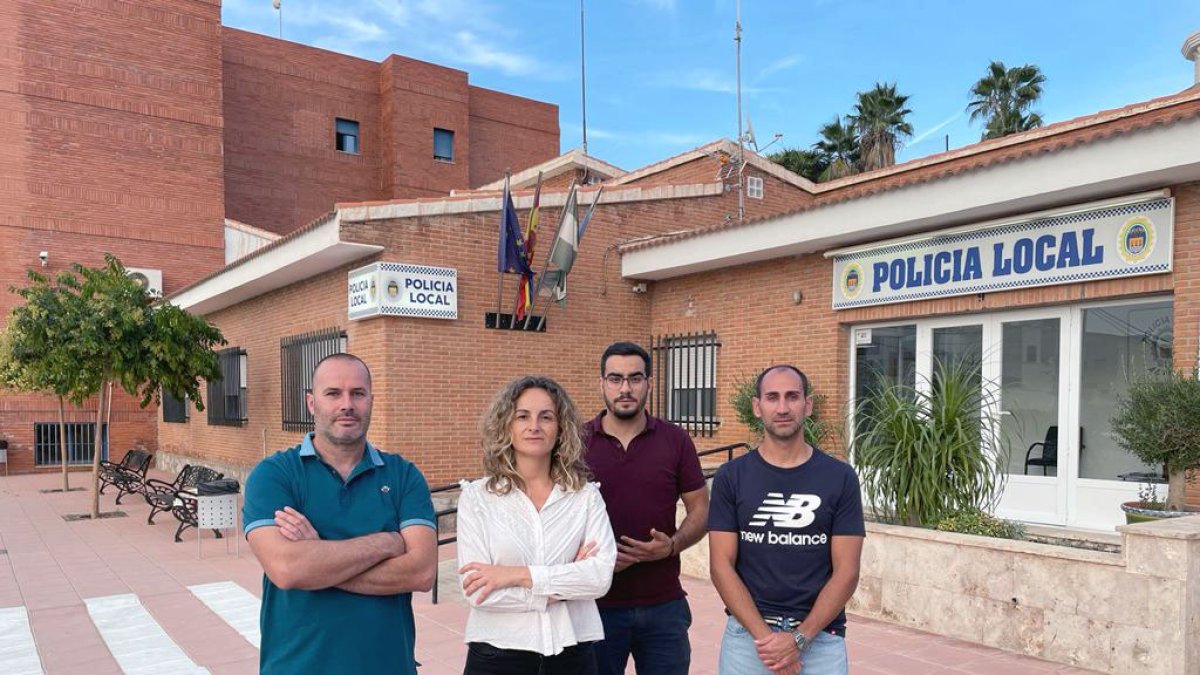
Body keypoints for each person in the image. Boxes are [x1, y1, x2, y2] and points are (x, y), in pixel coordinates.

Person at [243, 353, 436, 675]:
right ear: (311, 403)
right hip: (297, 667)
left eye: (357, 393)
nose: (347, 404)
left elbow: (421, 573)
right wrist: (387, 543)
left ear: (371, 400)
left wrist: (317, 558)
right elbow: (287, 569)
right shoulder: (275, 475)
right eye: (333, 393)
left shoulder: (403, 475)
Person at [708, 365, 865, 675]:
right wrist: (769, 641)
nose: (782, 408)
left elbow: (847, 572)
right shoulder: (731, 477)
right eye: (772, 397)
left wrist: (798, 640)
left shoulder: (840, 477)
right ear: (757, 406)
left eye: (792, 397)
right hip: (749, 638)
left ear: (807, 405)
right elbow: (720, 566)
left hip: (820, 637)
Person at [457, 374, 617, 675]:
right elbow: (477, 591)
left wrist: (513, 575)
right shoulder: (478, 498)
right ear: (506, 425)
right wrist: (566, 586)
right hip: (496, 655)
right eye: (522, 416)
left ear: (561, 428)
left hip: (572, 652)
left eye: (546, 417)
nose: (534, 426)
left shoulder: (584, 497)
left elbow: (599, 578)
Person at [584, 341, 709, 675]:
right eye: (615, 379)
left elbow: (701, 509)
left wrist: (672, 546)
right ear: (602, 384)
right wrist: (595, 562)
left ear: (649, 383)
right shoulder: (576, 443)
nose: (625, 388)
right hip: (593, 606)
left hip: (663, 607)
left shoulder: (676, 440)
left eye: (635, 378)